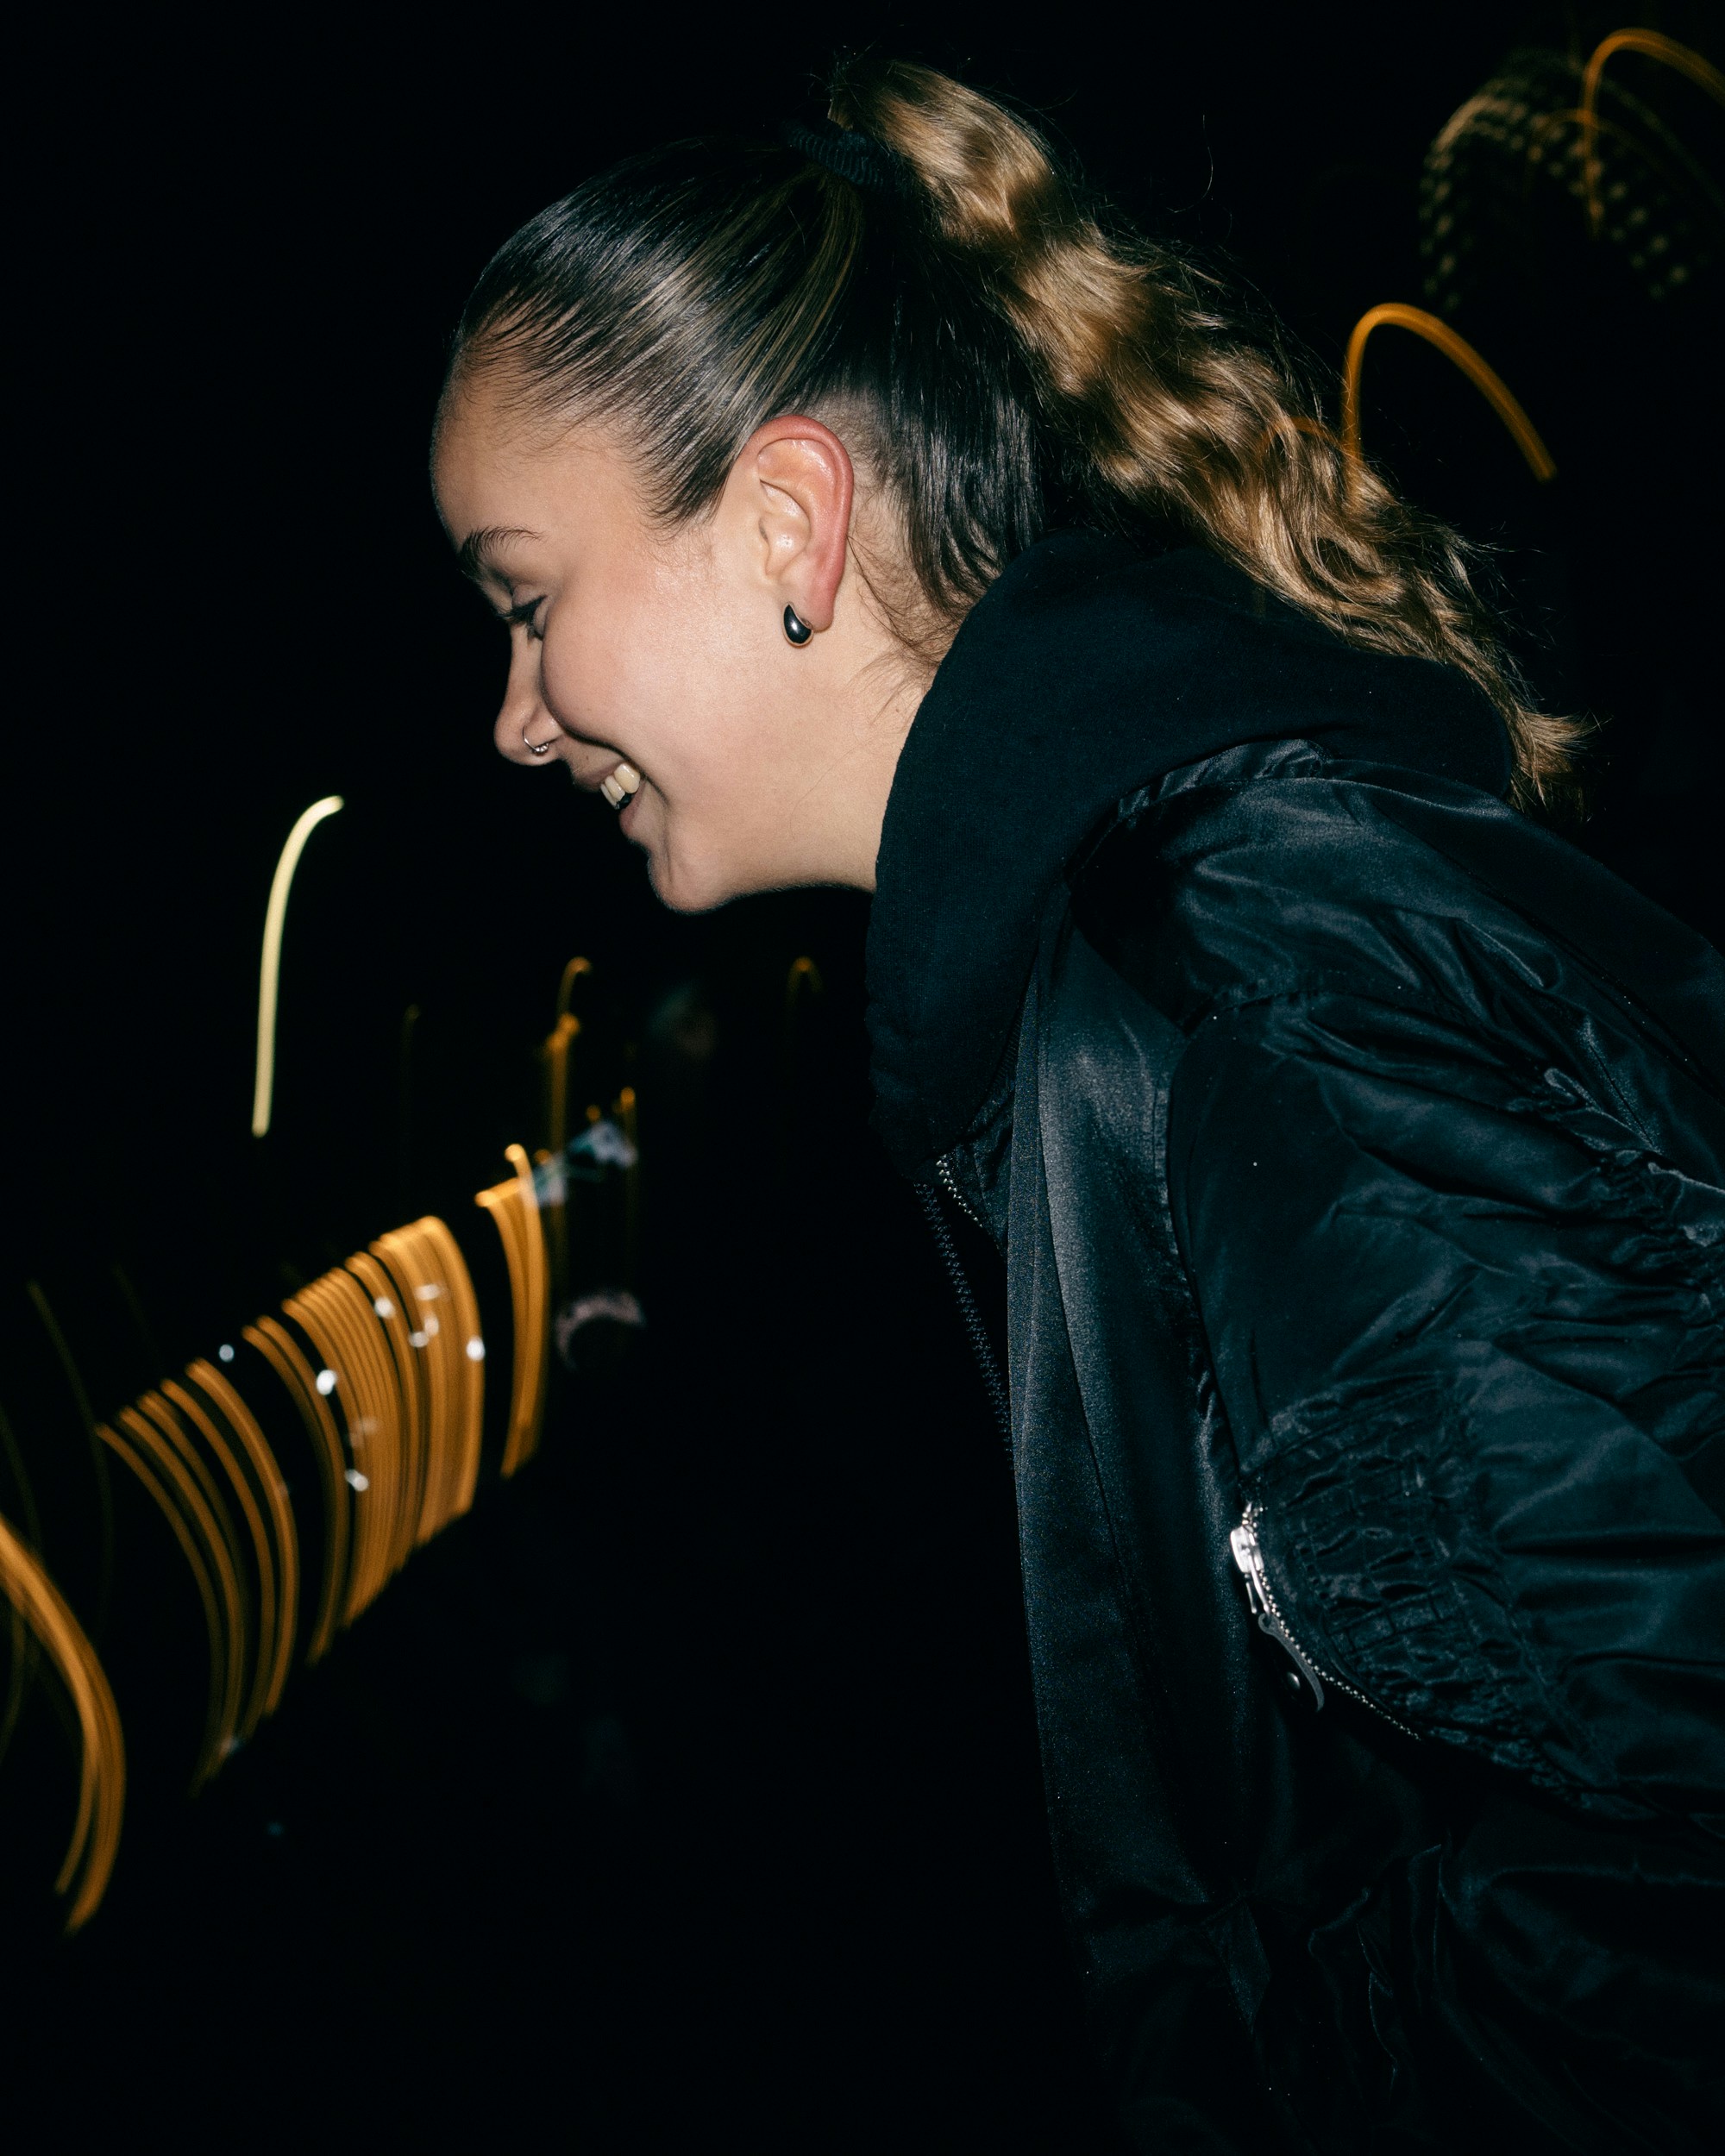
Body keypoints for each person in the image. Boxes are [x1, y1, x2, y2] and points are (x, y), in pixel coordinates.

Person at [431, 56, 1724, 2152]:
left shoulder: (1232, 988)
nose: (511, 716)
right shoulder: (1096, 978)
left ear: (783, 523)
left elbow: (1672, 1827)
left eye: (524, 601)